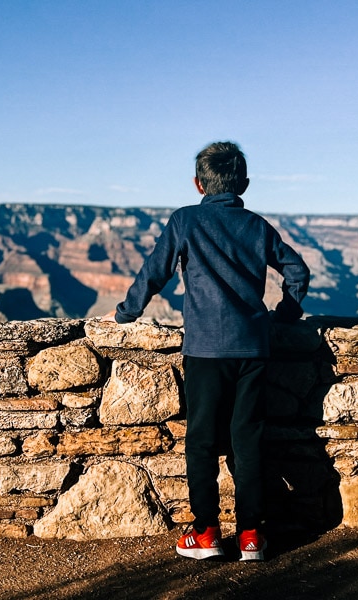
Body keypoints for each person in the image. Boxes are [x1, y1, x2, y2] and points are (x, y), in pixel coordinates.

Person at [109, 141, 310, 561]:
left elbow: (154, 272)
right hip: (254, 347)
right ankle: (252, 535)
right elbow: (297, 268)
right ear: (245, 184)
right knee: (248, 440)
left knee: (201, 442)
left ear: (198, 183)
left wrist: (127, 313)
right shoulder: (256, 226)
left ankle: (206, 534)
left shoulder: (186, 220)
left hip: (204, 350)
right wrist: (287, 312)